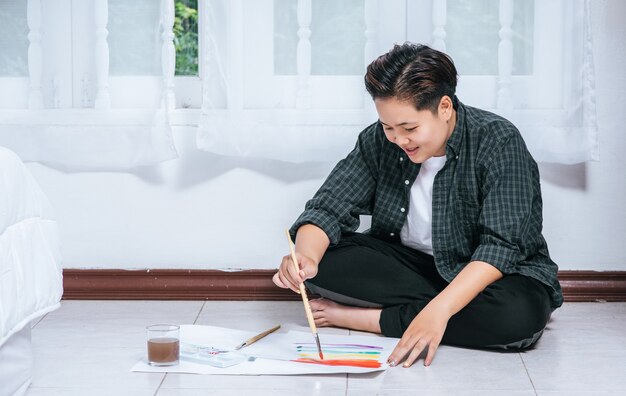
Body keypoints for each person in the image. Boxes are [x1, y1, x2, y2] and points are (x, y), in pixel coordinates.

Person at [272, 43, 563, 368]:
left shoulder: (498, 142)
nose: (399, 139)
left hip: (488, 275)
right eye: (388, 127)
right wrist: (306, 258)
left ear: (444, 107)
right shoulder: (378, 140)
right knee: (323, 261)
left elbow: (500, 248)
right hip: (413, 268)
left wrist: (439, 311)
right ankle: (446, 312)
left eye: (410, 128)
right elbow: (328, 208)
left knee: (517, 316)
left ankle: (372, 319)